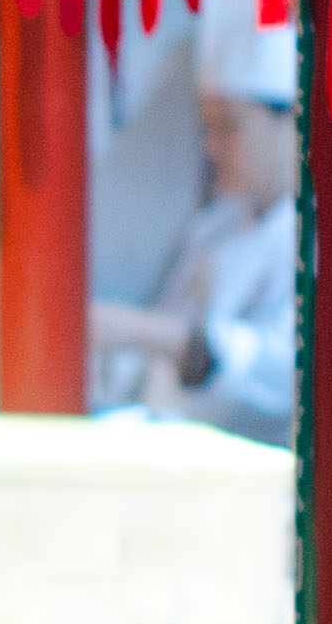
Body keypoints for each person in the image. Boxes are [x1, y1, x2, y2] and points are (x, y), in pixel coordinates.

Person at [92, 23, 298, 445]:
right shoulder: (215, 227)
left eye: (229, 127)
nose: (212, 147)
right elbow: (153, 359)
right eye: (208, 128)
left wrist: (139, 330)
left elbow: (280, 376)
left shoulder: (316, 237)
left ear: (291, 123)